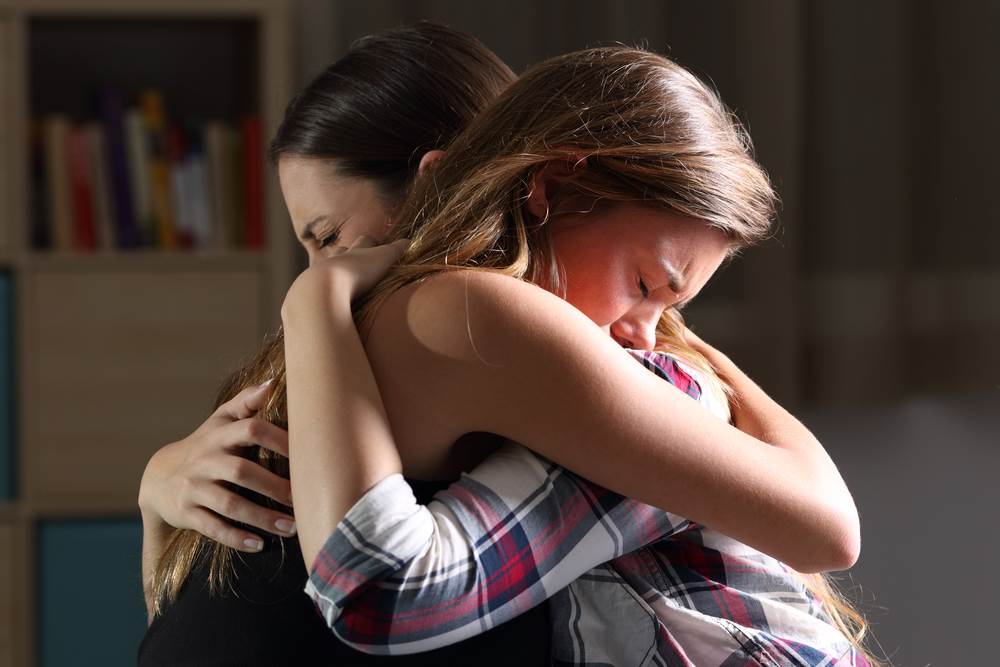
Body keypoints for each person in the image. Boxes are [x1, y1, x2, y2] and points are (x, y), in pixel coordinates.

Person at [139, 27, 870, 666]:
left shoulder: (415, 328)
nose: (332, 265)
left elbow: (177, 596)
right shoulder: (458, 310)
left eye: (329, 238)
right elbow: (827, 525)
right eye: (644, 283)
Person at [137, 23, 559, 666]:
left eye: (328, 236)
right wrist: (158, 490)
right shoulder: (360, 342)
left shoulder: (448, 324)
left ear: (434, 186)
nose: (318, 270)